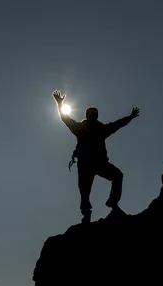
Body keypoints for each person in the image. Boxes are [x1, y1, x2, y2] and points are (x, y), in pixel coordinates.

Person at [52, 90, 140, 223]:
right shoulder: (91, 129)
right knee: (87, 191)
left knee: (103, 183)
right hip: (91, 164)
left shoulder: (91, 128)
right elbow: (117, 124)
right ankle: (93, 211)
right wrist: (59, 105)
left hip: (93, 163)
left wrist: (60, 105)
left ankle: (107, 205)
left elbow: (117, 124)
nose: (94, 116)